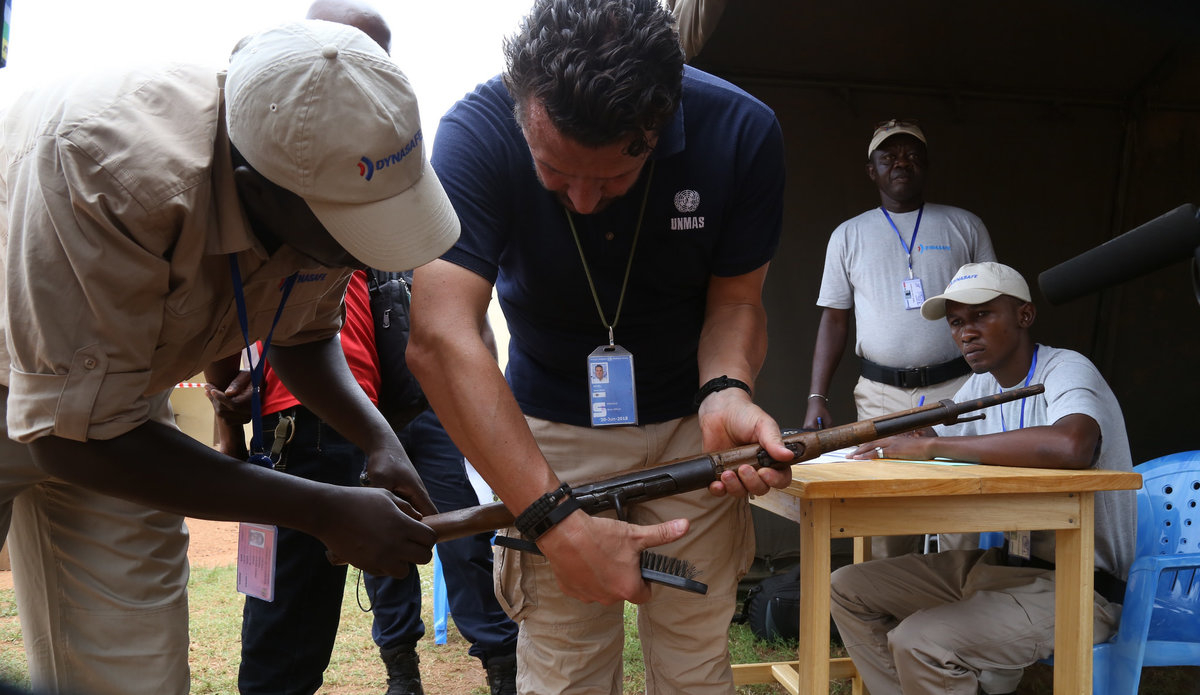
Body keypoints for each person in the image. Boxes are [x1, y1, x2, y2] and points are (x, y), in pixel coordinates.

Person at [0, 19, 458, 695]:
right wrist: (326, 509)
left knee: (136, 677)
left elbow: (303, 335)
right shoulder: (111, 165)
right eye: (346, 237)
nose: (359, 256)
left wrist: (377, 438)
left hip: (113, 405)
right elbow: (69, 443)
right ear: (257, 187)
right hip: (71, 409)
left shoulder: (318, 183)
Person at [407, 1, 793, 691]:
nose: (584, 200)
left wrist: (725, 388)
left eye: (616, 174)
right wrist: (550, 515)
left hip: (693, 431)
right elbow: (441, 336)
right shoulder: (476, 132)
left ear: (663, 116)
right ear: (525, 107)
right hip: (548, 439)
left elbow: (735, 301)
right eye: (554, 170)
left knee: (695, 663)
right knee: (564, 668)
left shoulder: (739, 131)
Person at [204, 5, 518, 695]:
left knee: (440, 538)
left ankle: (499, 658)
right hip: (303, 419)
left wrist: (397, 425)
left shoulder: (379, 187)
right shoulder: (236, 197)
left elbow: (423, 311)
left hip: (395, 404)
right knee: (314, 595)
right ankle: (398, 667)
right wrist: (236, 403)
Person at [829, 262, 1136, 695]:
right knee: (847, 587)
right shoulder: (982, 387)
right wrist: (904, 436)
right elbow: (930, 434)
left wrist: (933, 446)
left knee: (919, 641)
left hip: (1080, 584)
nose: (966, 332)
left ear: (1024, 316)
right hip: (1000, 569)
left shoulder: (1065, 368)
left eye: (982, 315)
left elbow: (1073, 444)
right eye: (957, 322)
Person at [803, 118, 997, 557]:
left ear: (926, 164)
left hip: (958, 389)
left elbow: (992, 308)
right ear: (871, 171)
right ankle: (888, 620)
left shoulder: (964, 226)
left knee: (962, 512)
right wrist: (818, 395)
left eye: (911, 154)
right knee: (883, 520)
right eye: (888, 156)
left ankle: (954, 618)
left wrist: (995, 383)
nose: (900, 163)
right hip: (881, 394)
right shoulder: (848, 235)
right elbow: (834, 319)